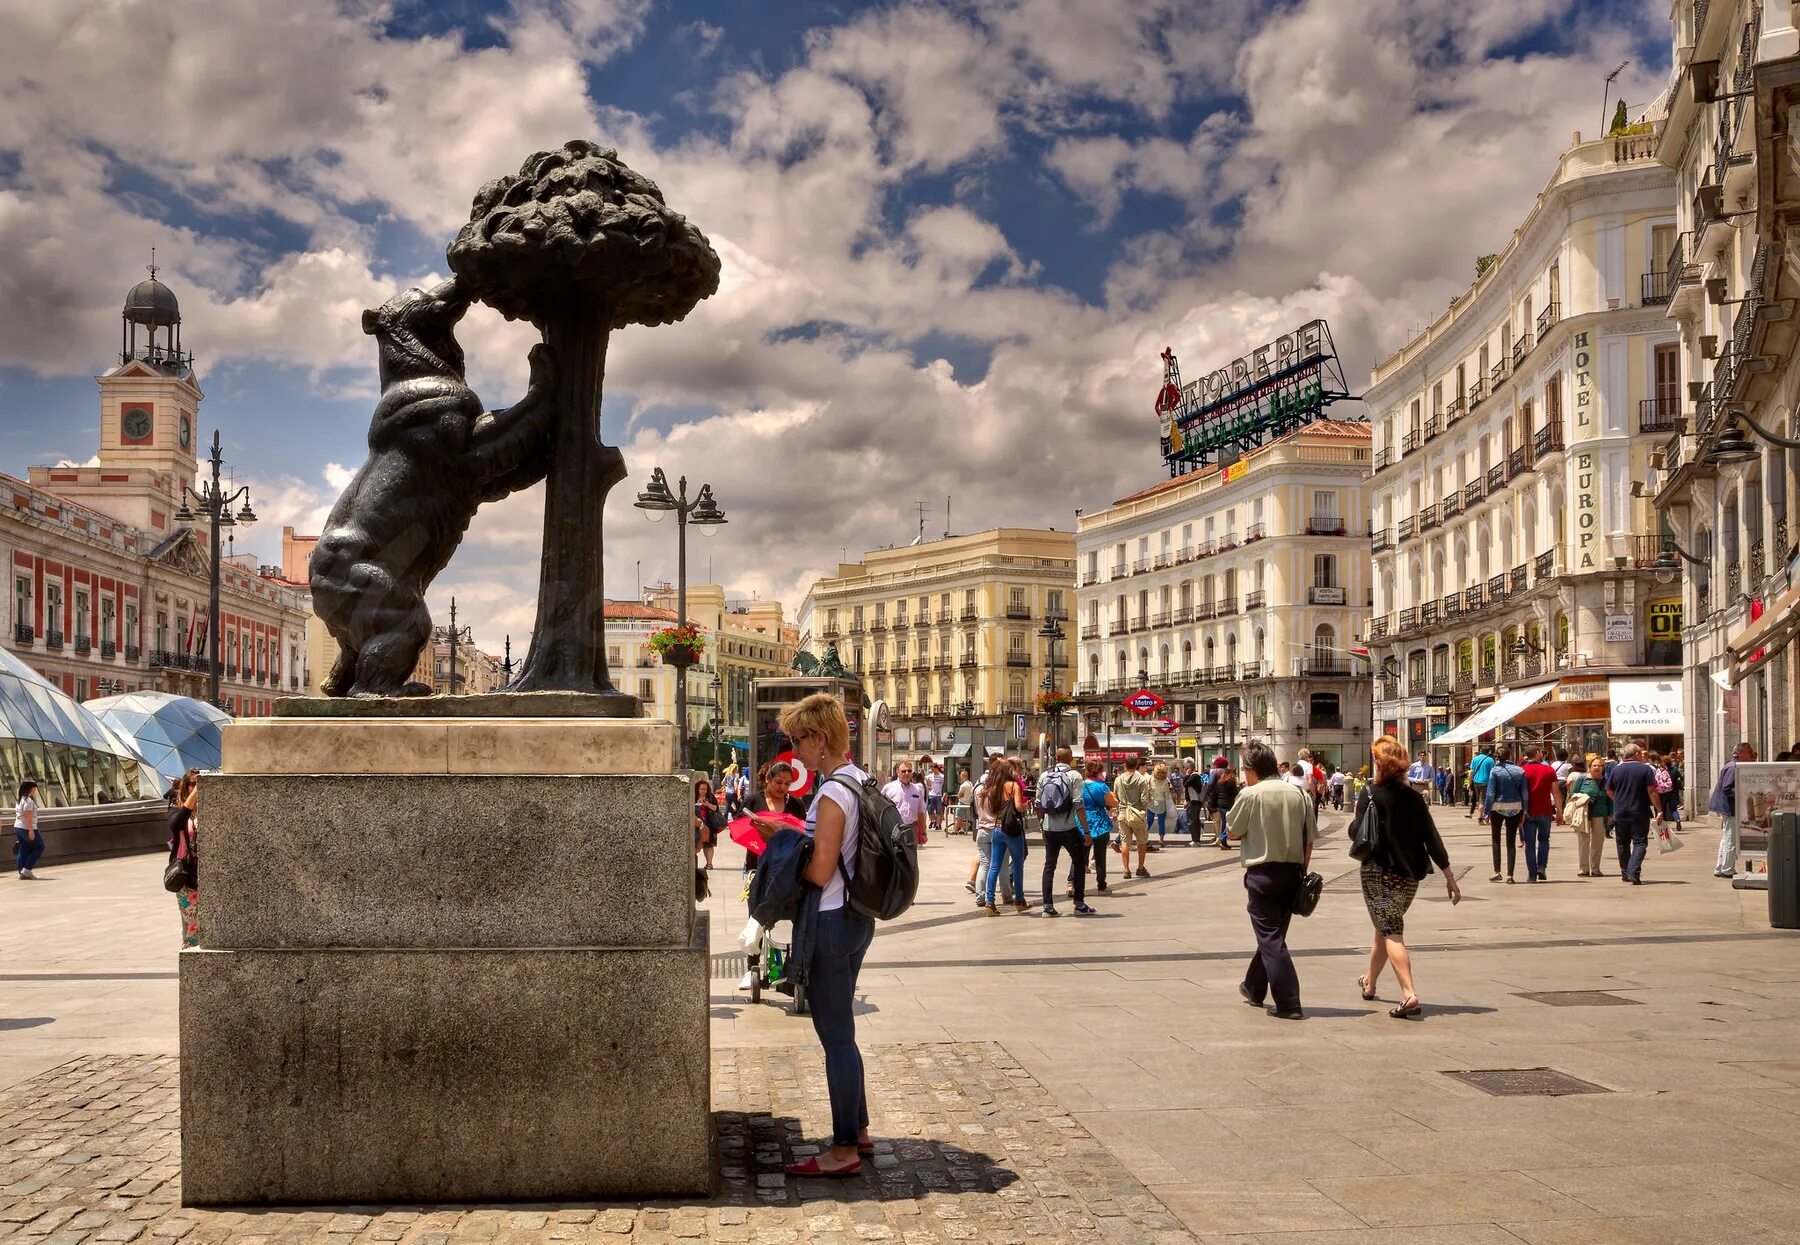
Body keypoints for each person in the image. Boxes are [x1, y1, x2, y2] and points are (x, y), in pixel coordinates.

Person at [767, 693, 875, 1178]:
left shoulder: (832, 794)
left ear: (820, 739)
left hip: (830, 918)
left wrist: (785, 845)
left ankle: (844, 1148)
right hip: (856, 917)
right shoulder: (858, 781)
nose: (794, 751)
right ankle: (862, 1129)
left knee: (836, 1037)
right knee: (844, 1033)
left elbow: (820, 870)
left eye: (797, 740)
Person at [1354, 737, 1460, 1018]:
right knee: (1385, 927)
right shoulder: (1414, 798)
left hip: (1379, 872)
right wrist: (1449, 875)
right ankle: (1370, 982)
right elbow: (1431, 838)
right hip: (1410, 876)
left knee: (1391, 931)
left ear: (1378, 762)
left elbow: (1356, 833)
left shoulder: (1370, 794)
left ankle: (1409, 994)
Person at [1228, 741, 1315, 1020]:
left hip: (1262, 874)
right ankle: (1254, 986)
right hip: (1292, 873)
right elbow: (1309, 841)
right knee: (1273, 935)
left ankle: (1290, 1002)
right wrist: (1302, 872)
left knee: (1270, 938)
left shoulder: (1250, 794)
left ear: (1252, 770)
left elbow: (1232, 832)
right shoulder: (1300, 794)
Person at [1037, 747, 1091, 916]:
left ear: (1056, 757)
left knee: (1049, 866)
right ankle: (1079, 903)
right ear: (1071, 758)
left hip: (1049, 828)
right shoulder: (1074, 775)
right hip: (1069, 827)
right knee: (1079, 862)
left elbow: (1038, 804)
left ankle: (1047, 907)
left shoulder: (1044, 775)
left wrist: (1042, 826)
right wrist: (1087, 831)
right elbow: (1078, 804)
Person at [1605, 742, 1663, 885]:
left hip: (1621, 812)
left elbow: (1609, 790)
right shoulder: (1644, 770)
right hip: (1639, 811)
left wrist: (1618, 800)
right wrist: (1659, 810)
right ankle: (1633, 871)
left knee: (1622, 843)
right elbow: (1652, 791)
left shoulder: (1616, 770)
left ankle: (1625, 873)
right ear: (1636, 754)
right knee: (1640, 842)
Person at [981, 759, 1032, 915]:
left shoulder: (993, 787)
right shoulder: (1013, 785)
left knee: (994, 866)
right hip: (1012, 830)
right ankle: (1020, 900)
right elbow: (1017, 806)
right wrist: (1026, 805)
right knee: (1017, 864)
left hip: (997, 829)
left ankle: (989, 902)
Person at [746, 760, 808, 875]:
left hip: (787, 866)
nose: (782, 787)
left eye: (787, 783)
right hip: (756, 865)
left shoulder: (796, 805)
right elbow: (739, 830)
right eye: (778, 782)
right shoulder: (753, 801)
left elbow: (804, 834)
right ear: (768, 779)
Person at [1709, 741, 1755, 879]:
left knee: (1727, 837)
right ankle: (1727, 868)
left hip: (1727, 807)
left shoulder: (1733, 766)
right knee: (1730, 838)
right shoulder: (1733, 767)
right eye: (1750, 752)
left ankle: (1721, 867)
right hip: (1729, 808)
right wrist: (1745, 792)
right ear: (1741, 753)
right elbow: (1728, 789)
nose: (1752, 755)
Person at [1482, 746, 1527, 883]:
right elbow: (1524, 793)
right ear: (1510, 756)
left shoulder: (1495, 771)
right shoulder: (1520, 771)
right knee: (1511, 842)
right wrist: (1524, 811)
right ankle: (1510, 876)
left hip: (1497, 807)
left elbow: (1490, 794)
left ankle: (1497, 871)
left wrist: (1486, 812)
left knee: (1496, 839)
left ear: (1497, 757)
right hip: (1515, 807)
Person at [1073, 758, 1117, 894]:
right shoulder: (1101, 787)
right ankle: (1101, 885)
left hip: (1081, 821)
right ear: (1099, 772)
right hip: (1099, 823)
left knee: (1079, 856)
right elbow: (1114, 802)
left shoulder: (1079, 785)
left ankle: (1075, 885)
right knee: (1100, 856)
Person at [1519, 745, 1562, 883]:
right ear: (1538, 753)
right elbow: (1556, 792)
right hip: (1545, 811)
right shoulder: (1548, 770)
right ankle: (1541, 867)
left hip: (1528, 812)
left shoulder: (1522, 771)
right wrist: (1560, 811)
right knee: (1544, 840)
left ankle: (1532, 875)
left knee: (1529, 844)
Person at [168, 769, 200, 945]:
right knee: (191, 928)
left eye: (199, 784)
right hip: (187, 876)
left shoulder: (213, 808)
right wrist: (194, 796)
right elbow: (175, 824)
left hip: (210, 875)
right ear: (186, 787)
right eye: (192, 784)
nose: (196, 788)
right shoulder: (177, 809)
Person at [1566, 756, 1611, 877]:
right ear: (1589, 767)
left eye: (1599, 766)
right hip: (1583, 814)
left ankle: (1596, 868)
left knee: (1598, 842)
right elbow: (1573, 794)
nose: (1597, 768)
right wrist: (1583, 798)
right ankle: (1583, 868)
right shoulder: (1582, 779)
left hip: (1600, 814)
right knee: (1583, 842)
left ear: (1603, 768)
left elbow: (1610, 799)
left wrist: (1611, 814)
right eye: (1594, 765)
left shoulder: (1606, 781)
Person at [1111, 754, 1154, 878]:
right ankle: (1140, 867)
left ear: (1125, 765)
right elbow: (1144, 799)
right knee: (1142, 841)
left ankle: (1126, 869)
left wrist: (1115, 811)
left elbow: (1115, 798)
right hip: (1137, 814)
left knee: (1125, 841)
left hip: (1123, 813)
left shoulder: (1118, 779)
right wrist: (1148, 803)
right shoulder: (1141, 779)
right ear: (1136, 765)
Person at [882, 761, 929, 848]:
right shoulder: (888, 788)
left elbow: (920, 812)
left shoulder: (917, 789)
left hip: (911, 829)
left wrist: (923, 832)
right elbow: (881, 810)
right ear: (897, 772)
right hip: (893, 829)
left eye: (909, 771)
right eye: (903, 771)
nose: (907, 773)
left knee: (911, 859)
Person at [1206, 762, 1241, 849]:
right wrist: (1238, 787)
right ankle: (1222, 838)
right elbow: (1235, 793)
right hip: (1228, 805)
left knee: (1224, 823)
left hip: (1220, 805)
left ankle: (1223, 842)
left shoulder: (1220, 781)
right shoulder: (1231, 782)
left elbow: (1215, 793)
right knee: (1229, 823)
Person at [14, 778, 43, 880]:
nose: (35, 790)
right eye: (34, 788)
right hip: (27, 828)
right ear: (29, 788)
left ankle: (21, 872)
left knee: (23, 850)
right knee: (39, 847)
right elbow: (27, 817)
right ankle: (26, 870)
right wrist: (31, 831)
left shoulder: (20, 800)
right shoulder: (28, 801)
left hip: (18, 826)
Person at [693, 777, 724, 870]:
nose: (703, 791)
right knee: (698, 842)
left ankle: (709, 863)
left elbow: (716, 808)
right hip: (697, 824)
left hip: (709, 822)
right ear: (697, 789)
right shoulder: (693, 796)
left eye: (705, 789)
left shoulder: (710, 797)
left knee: (709, 844)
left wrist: (707, 804)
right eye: (701, 789)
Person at [1146, 762, 1173, 848]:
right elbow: (1166, 794)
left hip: (1152, 802)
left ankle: (1144, 838)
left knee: (1149, 821)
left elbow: (1147, 790)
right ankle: (1161, 839)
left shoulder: (1150, 779)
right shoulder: (1165, 781)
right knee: (1161, 822)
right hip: (1161, 803)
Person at [1182, 760, 1208, 846]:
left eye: (1185, 768)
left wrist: (1186, 775)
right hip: (1196, 801)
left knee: (1192, 821)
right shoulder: (1196, 776)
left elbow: (1185, 784)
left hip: (1194, 801)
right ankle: (1197, 840)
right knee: (1195, 820)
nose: (1184, 769)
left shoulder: (1193, 777)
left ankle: (1195, 840)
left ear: (1188, 768)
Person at [1468, 745, 1496, 820]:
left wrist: (1469, 782)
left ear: (1480, 751)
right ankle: (1482, 817)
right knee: (1485, 800)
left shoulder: (1475, 759)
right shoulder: (1491, 760)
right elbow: (1493, 772)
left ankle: (1481, 815)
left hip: (1476, 782)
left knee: (1480, 800)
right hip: (1487, 782)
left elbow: (1471, 772)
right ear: (1489, 752)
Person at [925, 762, 946, 833]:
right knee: (930, 810)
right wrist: (928, 787)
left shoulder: (942, 776)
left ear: (936, 768)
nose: (932, 771)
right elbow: (926, 784)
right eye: (931, 769)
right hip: (931, 795)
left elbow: (944, 786)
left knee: (938, 811)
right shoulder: (929, 776)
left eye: (933, 769)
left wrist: (944, 794)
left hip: (938, 795)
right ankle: (933, 821)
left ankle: (937, 824)